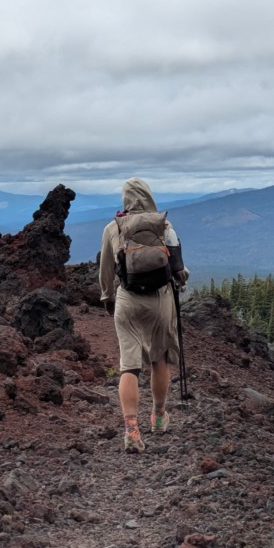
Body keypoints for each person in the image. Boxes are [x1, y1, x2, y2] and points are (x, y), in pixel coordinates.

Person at [99, 178, 188, 452]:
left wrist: (107, 297)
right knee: (159, 359)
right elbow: (179, 270)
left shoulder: (113, 227)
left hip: (128, 300)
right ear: (149, 197)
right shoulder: (165, 226)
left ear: (125, 199)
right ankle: (159, 417)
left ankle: (131, 430)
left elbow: (106, 271)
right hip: (160, 301)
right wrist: (181, 281)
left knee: (129, 366)